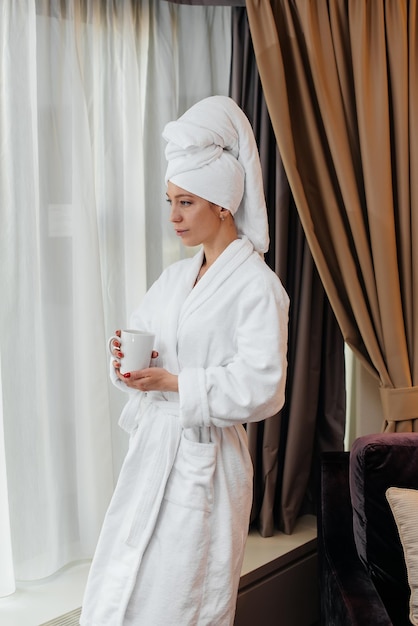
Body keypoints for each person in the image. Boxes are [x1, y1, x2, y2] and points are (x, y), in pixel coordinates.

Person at [79, 95, 289, 626]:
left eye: (186, 203)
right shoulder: (174, 278)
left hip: (207, 460)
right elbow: (146, 351)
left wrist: (177, 383)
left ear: (222, 204)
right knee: (128, 581)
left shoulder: (258, 288)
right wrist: (127, 364)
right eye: (169, 200)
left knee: (183, 598)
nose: (173, 216)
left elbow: (264, 385)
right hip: (154, 450)